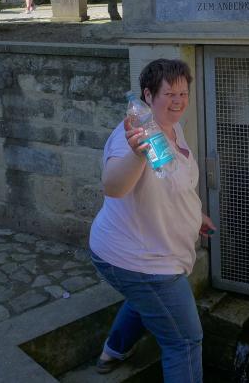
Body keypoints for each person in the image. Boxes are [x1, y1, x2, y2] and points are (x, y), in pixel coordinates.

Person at [90, 58, 215, 382]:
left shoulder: (173, 127)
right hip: (139, 259)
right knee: (185, 340)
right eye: (169, 94)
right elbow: (113, 187)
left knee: (146, 300)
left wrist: (194, 216)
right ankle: (114, 350)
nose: (178, 101)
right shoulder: (133, 136)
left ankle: (113, 352)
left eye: (183, 94)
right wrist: (136, 155)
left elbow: (173, 184)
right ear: (148, 95)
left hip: (152, 254)